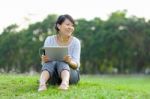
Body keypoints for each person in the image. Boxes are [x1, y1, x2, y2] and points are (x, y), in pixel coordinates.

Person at [38, 14, 81, 91]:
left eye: (72, 25)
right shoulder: (49, 40)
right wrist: (44, 59)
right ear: (59, 26)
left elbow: (76, 65)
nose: (70, 28)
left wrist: (69, 61)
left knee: (62, 61)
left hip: (71, 75)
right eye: (68, 24)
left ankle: (65, 84)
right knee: (49, 62)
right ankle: (42, 84)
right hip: (53, 75)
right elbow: (43, 63)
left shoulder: (76, 42)